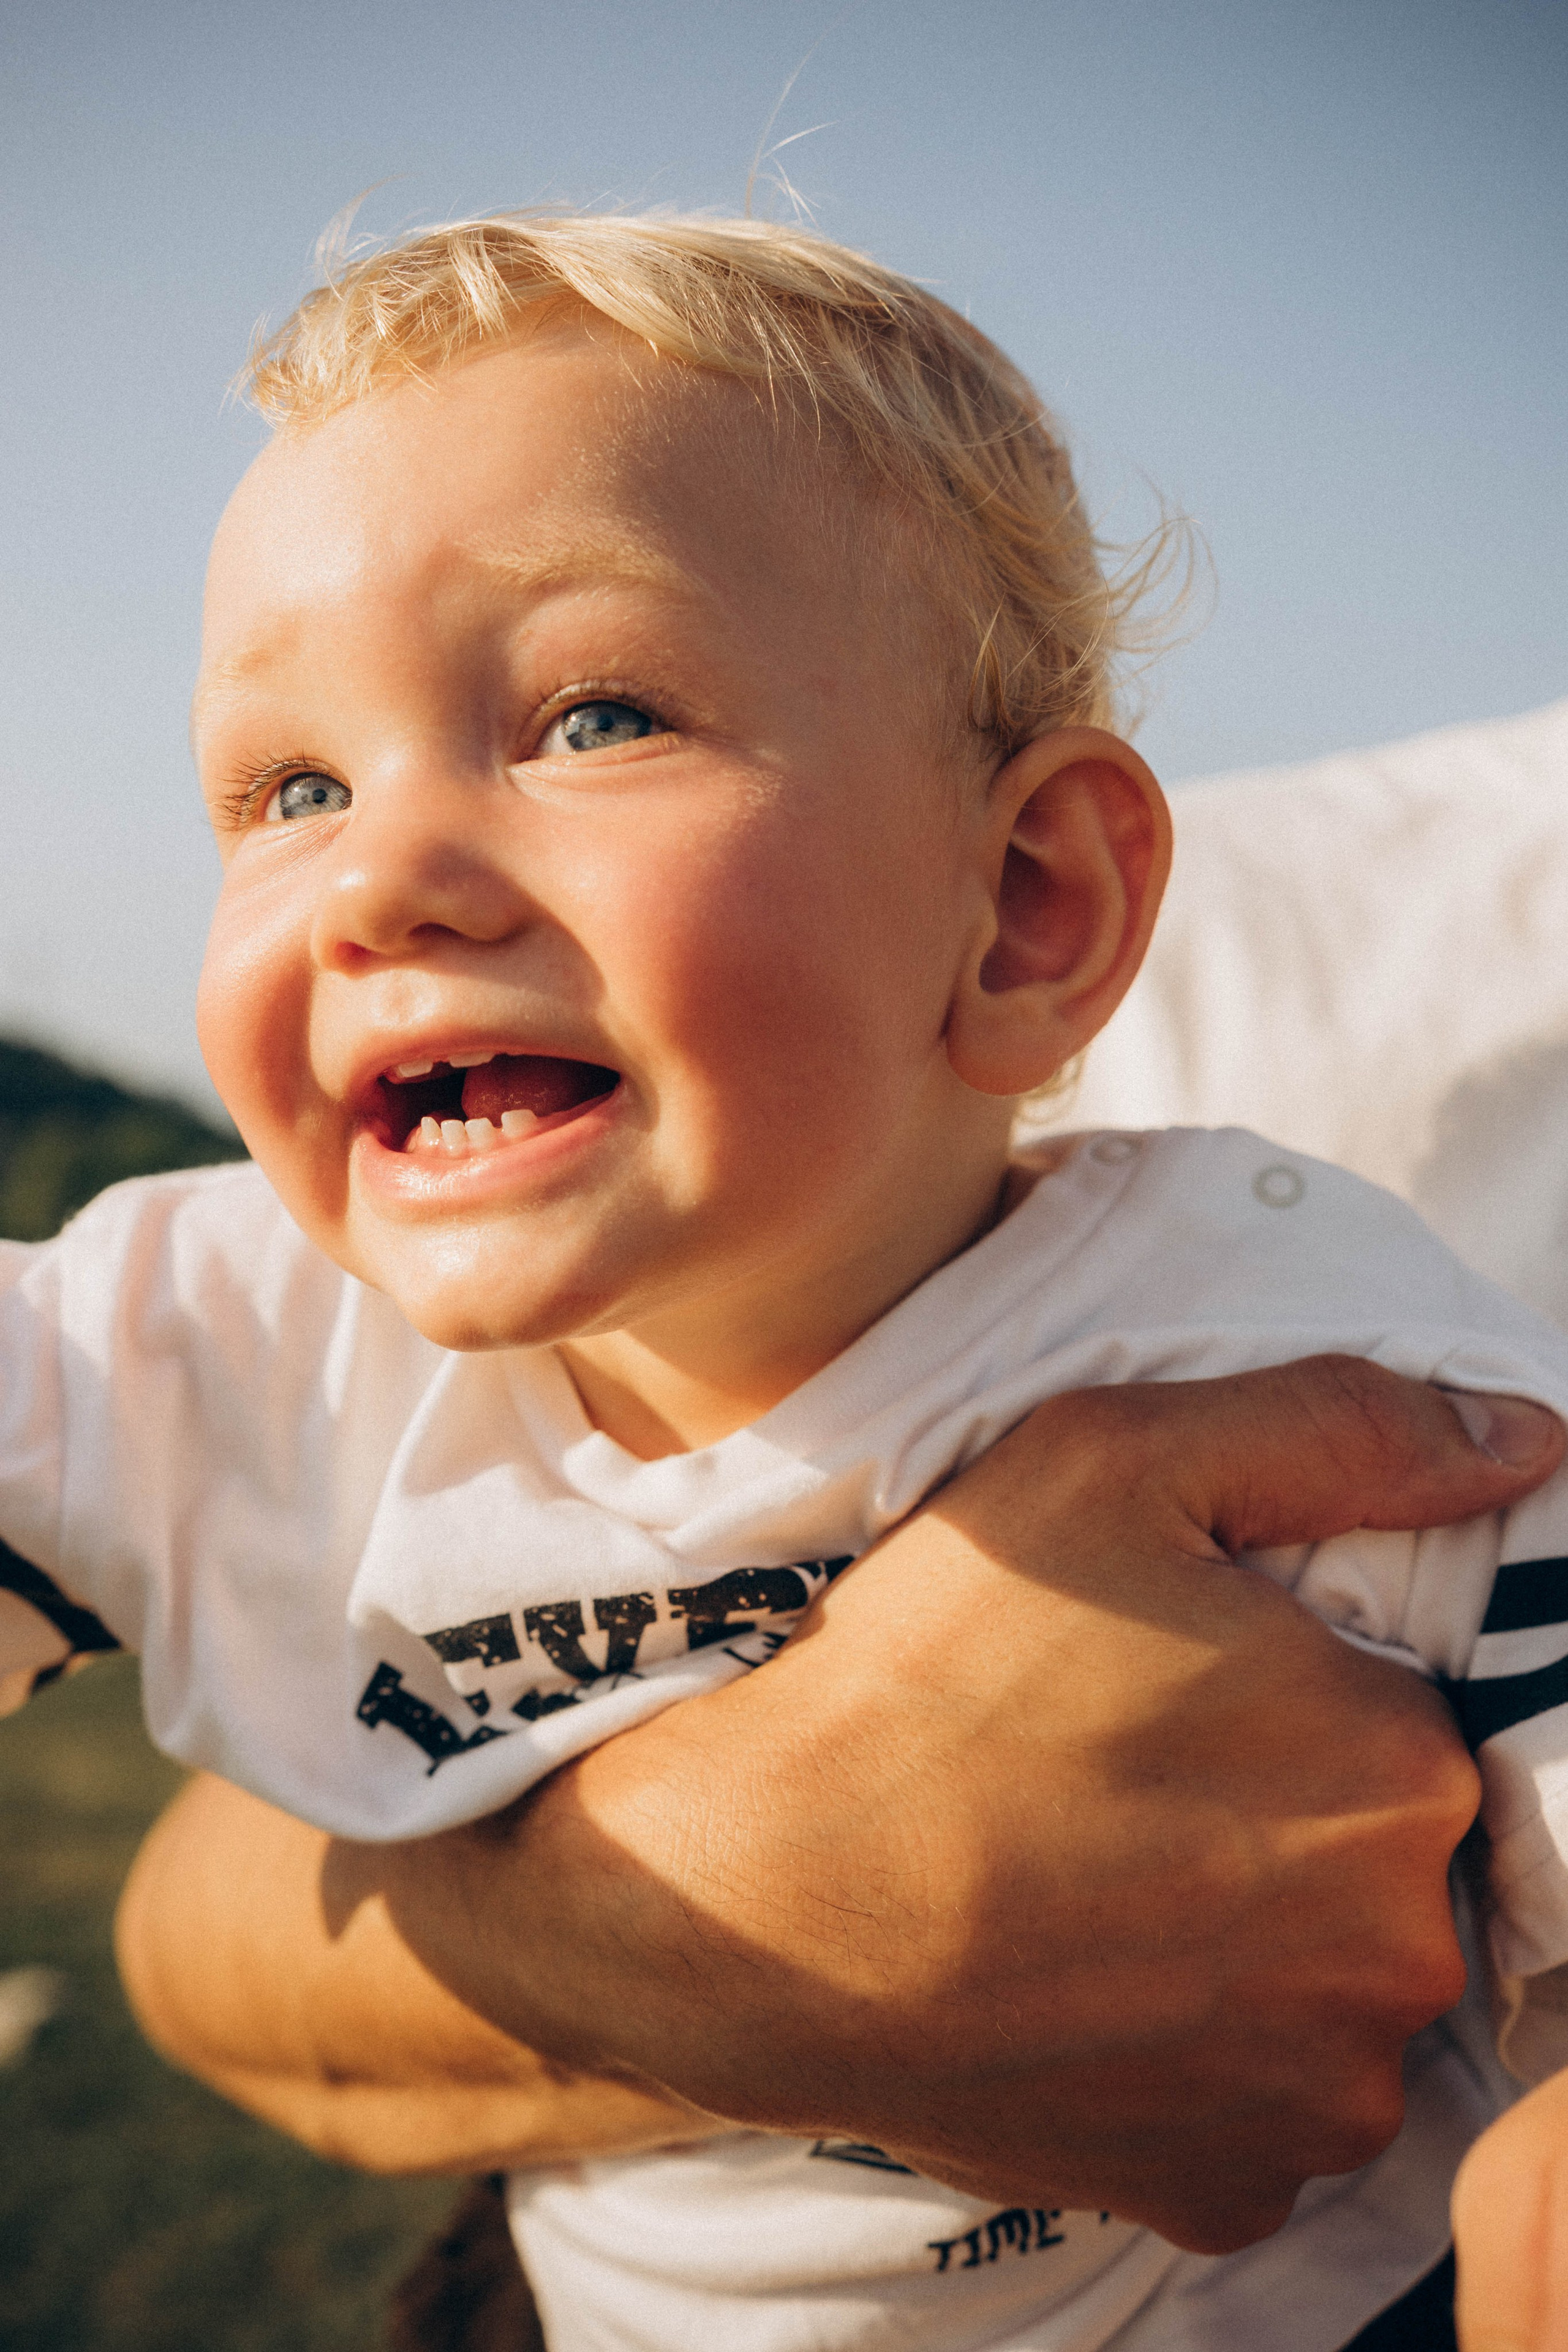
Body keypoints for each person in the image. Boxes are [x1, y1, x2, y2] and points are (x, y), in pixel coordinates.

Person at [2, 209, 1565, 2346]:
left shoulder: (1276, 1343)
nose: (374, 872)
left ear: (1025, 906)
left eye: (594, 714)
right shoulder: (220, 1342)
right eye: (289, 783)